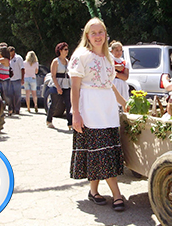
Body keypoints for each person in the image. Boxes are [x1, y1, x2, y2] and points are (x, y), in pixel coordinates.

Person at [68, 18, 127, 212]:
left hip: (108, 109)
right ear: (87, 36)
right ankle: (117, 194)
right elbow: (75, 87)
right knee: (102, 151)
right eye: (93, 33)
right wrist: (75, 114)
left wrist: (124, 103)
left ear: (105, 34)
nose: (98, 36)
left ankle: (93, 191)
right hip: (90, 109)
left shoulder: (109, 56)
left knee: (99, 151)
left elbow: (109, 83)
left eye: (100, 32)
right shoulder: (80, 55)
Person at [46, 42, 72, 129]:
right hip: (57, 84)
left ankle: (70, 123)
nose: (67, 51)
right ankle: (49, 120)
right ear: (60, 50)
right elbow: (53, 75)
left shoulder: (68, 62)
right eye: (65, 49)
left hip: (66, 84)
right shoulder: (55, 61)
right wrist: (58, 87)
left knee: (69, 104)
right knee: (54, 104)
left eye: (67, 49)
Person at [110, 40, 129, 105]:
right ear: (112, 51)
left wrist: (116, 73)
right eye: (117, 50)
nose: (119, 52)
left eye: (120, 50)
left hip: (122, 85)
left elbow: (125, 77)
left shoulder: (124, 62)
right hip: (113, 83)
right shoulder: (109, 60)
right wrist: (115, 67)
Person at [8, 46, 25, 114]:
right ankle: (11, 108)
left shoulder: (18, 58)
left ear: (13, 51)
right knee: (10, 95)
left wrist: (22, 78)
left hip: (17, 79)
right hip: (9, 79)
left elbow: (22, 68)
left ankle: (17, 109)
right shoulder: (8, 59)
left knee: (17, 95)